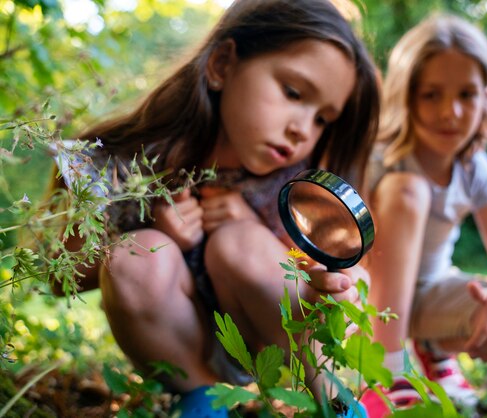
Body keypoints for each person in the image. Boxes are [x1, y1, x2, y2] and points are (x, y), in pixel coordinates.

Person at [53, 0, 380, 416]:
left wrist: (272, 243)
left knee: (239, 241)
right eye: (293, 93)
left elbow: (334, 275)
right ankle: (204, 399)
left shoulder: (301, 186)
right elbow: (58, 278)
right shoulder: (130, 164)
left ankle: (334, 401)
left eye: (322, 119)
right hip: (176, 340)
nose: (302, 128)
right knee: (138, 254)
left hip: (262, 340)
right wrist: (157, 231)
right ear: (223, 65)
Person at [362, 13, 487, 415]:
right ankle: (385, 370)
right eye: (431, 94)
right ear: (406, 94)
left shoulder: (474, 167)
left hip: (433, 296)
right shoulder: (379, 160)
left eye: (467, 95)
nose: (451, 112)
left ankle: (432, 348)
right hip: (373, 305)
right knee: (409, 191)